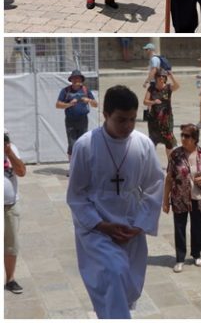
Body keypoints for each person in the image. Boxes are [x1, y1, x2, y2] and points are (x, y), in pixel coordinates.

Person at [66, 85, 164, 318]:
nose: (128, 126)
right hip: (97, 229)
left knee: (125, 287)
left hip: (131, 224)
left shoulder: (142, 144)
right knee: (114, 272)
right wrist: (101, 225)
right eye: (121, 120)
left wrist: (140, 224)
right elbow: (76, 195)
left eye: (132, 120)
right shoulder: (86, 145)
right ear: (106, 114)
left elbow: (154, 185)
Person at [162, 123, 201, 273]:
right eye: (182, 135)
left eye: (187, 136)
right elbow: (169, 178)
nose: (183, 138)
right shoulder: (175, 155)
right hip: (179, 196)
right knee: (179, 227)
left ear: (195, 138)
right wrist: (165, 201)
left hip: (198, 197)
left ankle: (196, 253)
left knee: (197, 226)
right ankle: (180, 258)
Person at [55, 69, 97, 163]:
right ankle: (72, 167)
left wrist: (89, 101)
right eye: (74, 79)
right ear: (71, 80)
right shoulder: (65, 91)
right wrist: (69, 104)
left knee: (83, 144)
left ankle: (83, 166)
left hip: (83, 120)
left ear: (81, 80)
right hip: (70, 121)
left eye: (78, 78)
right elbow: (58, 105)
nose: (76, 81)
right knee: (72, 144)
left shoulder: (86, 90)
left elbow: (95, 104)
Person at [4, 132, 26, 294]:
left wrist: (9, 152)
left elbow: (21, 171)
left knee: (11, 245)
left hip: (10, 205)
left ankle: (10, 279)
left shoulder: (12, 150)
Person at [143, 70, 180, 160]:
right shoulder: (151, 88)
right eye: (159, 76)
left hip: (166, 119)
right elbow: (145, 101)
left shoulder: (168, 88)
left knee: (168, 142)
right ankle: (151, 163)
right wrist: (153, 102)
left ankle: (170, 165)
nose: (161, 78)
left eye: (163, 77)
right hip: (154, 119)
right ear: (156, 78)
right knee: (153, 141)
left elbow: (177, 86)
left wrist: (172, 76)